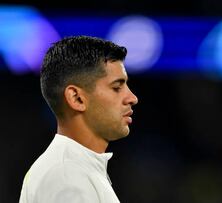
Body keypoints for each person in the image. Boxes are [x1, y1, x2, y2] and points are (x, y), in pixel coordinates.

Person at [19, 36, 138, 203]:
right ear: (76, 98)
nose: (132, 98)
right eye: (117, 87)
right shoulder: (66, 174)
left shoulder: (75, 168)